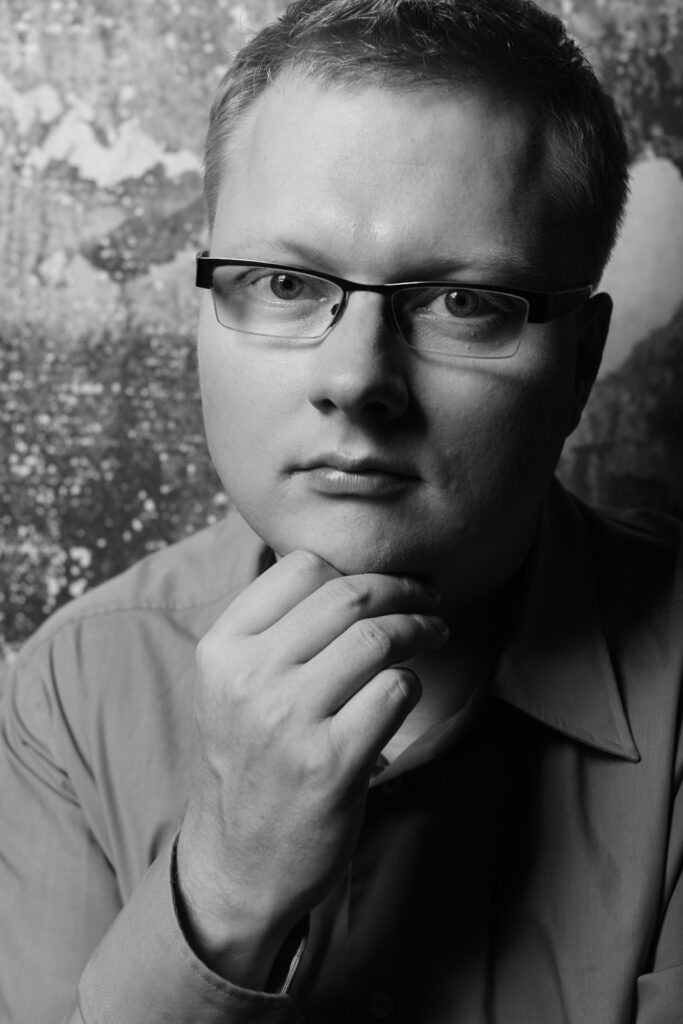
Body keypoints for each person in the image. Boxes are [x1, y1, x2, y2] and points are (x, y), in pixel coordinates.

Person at [1, 0, 682, 1021]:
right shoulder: (72, 695)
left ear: (579, 364)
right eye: (284, 281)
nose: (356, 379)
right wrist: (225, 885)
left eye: (461, 302)